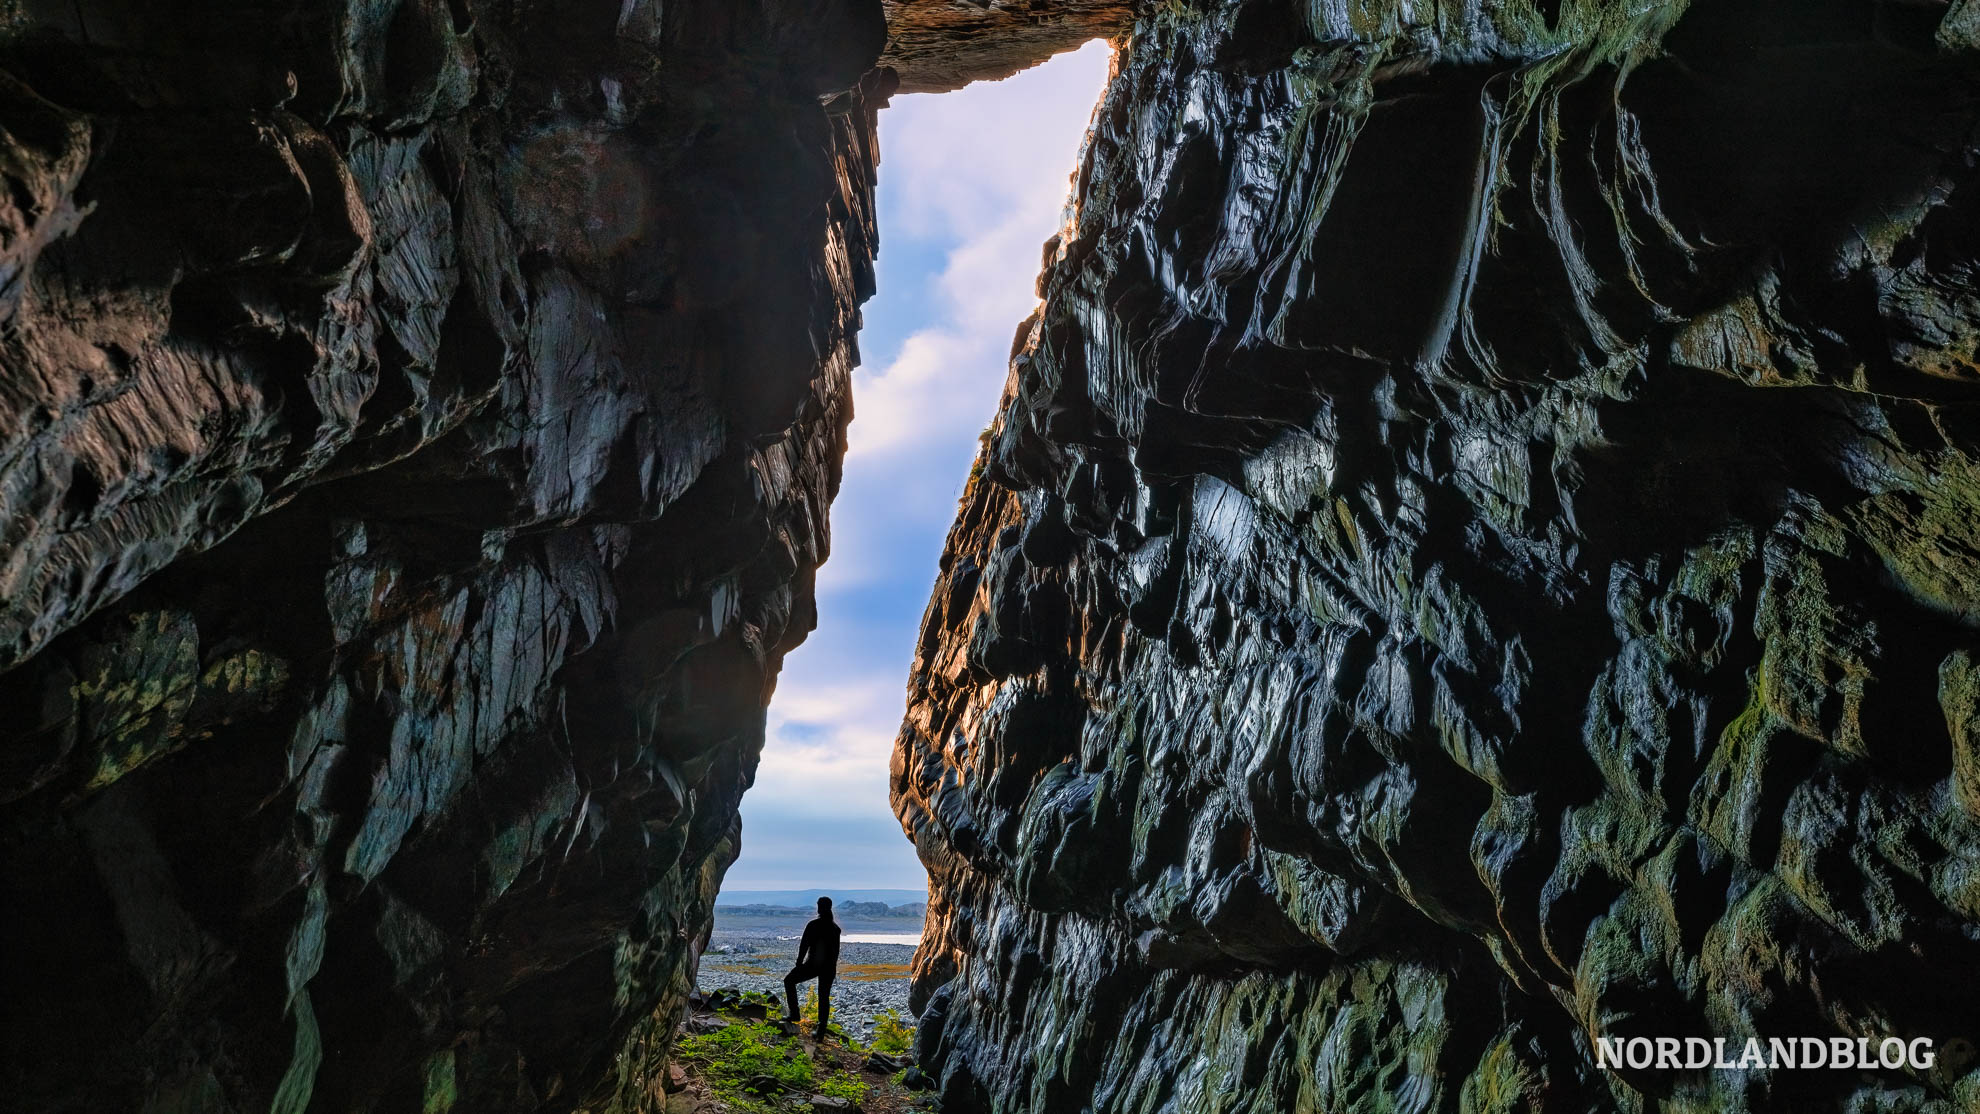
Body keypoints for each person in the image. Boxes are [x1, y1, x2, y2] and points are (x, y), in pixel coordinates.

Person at [782, 896, 842, 1035]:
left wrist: (799, 963)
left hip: (813, 965)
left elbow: (804, 946)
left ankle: (795, 1014)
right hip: (828, 968)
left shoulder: (813, 925)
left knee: (789, 981)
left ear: (820, 907)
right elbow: (835, 952)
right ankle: (821, 1029)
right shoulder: (835, 929)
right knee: (823, 996)